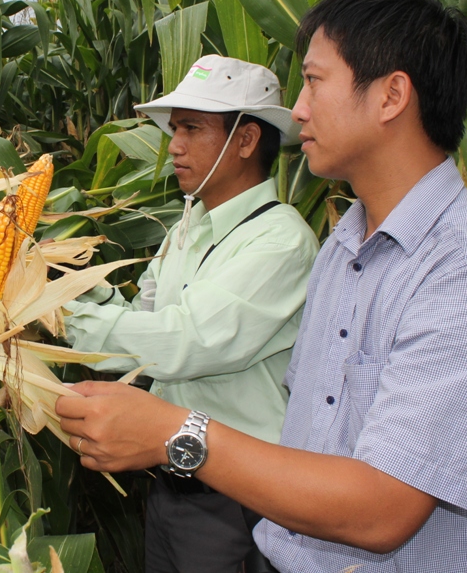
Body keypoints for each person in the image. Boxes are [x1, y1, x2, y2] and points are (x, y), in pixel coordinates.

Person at [56, 0, 467, 572]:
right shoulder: (340, 250)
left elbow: (382, 510)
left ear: (392, 96)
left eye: (315, 81)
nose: (297, 110)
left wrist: (175, 432)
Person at [63, 55, 319, 572]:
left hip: (236, 498)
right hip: (172, 478)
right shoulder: (187, 227)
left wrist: (61, 319)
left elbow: (185, 343)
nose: (174, 144)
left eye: (191, 128)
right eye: (174, 128)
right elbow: (145, 317)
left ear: (246, 140)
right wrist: (67, 288)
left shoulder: (281, 241)